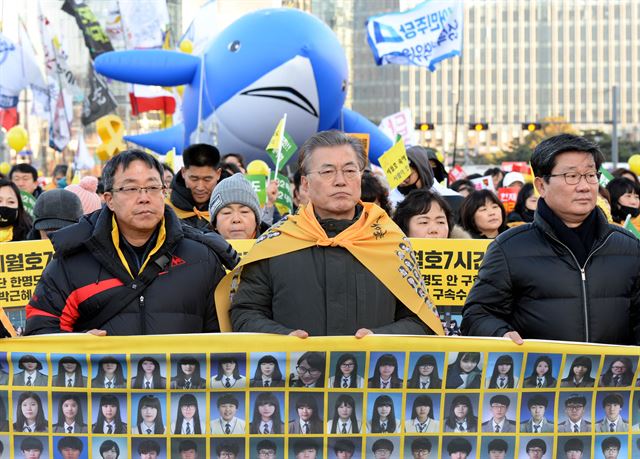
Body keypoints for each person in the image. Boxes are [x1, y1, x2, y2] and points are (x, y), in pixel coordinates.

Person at [224, 130, 442, 337]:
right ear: (306, 184)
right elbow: (245, 313)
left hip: (373, 370)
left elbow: (421, 320)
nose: (340, 180)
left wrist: (380, 338)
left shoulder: (390, 242)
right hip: (297, 372)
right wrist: (283, 338)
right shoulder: (275, 243)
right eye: (327, 172)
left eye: (349, 170)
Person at [24, 149, 227, 335]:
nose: (144, 197)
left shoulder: (201, 258)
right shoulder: (71, 261)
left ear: (164, 193)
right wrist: (77, 346)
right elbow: (40, 329)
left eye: (152, 187)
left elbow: (224, 338)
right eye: (131, 188)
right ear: (109, 199)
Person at [462, 134, 640, 345]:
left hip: (612, 375)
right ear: (541, 186)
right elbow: (477, 314)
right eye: (571, 176)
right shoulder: (508, 248)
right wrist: (499, 334)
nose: (585, 186)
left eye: (591, 175)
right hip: (538, 373)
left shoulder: (628, 246)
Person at [167, 143, 222, 229]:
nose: (200, 187)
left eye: (207, 179)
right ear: (183, 172)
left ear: (218, 174)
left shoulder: (229, 207)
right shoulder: (166, 208)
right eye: (194, 179)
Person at [393, 189, 470, 239]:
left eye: (440, 222)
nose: (434, 230)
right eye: (424, 222)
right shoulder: (388, 260)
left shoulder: (467, 260)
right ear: (404, 229)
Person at [209, 173, 265, 240]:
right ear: (215, 223)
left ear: (256, 220)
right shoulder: (198, 249)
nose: (236, 219)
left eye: (244, 212)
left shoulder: (276, 246)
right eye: (227, 212)